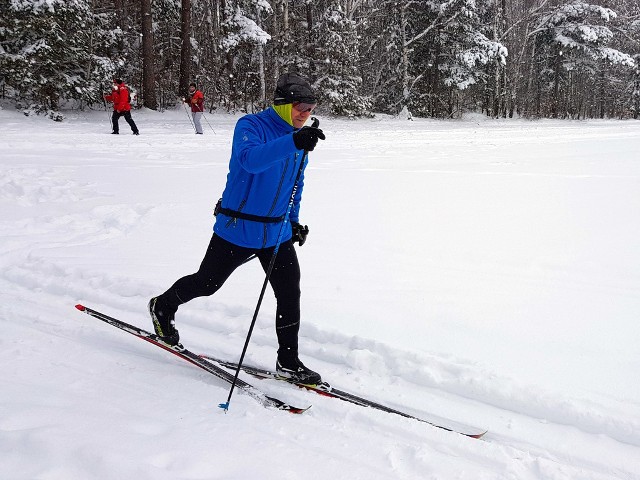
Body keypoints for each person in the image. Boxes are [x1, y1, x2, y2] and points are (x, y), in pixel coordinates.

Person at [148, 72, 326, 384]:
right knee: (207, 284)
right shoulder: (251, 126)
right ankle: (162, 306)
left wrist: (294, 221)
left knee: (289, 293)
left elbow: (295, 184)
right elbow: (249, 161)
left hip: (276, 233)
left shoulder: (300, 138)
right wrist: (292, 141)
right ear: (283, 105)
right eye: (300, 107)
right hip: (237, 228)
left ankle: (288, 361)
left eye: (310, 109)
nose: (305, 114)